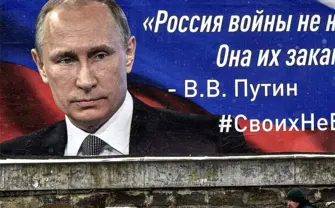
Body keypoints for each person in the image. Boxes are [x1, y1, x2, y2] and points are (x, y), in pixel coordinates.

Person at [0, 0, 251, 157]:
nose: (85, 81)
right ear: (40, 65)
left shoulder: (212, 141)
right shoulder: (9, 159)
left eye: (99, 55)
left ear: (129, 54)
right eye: (66, 60)